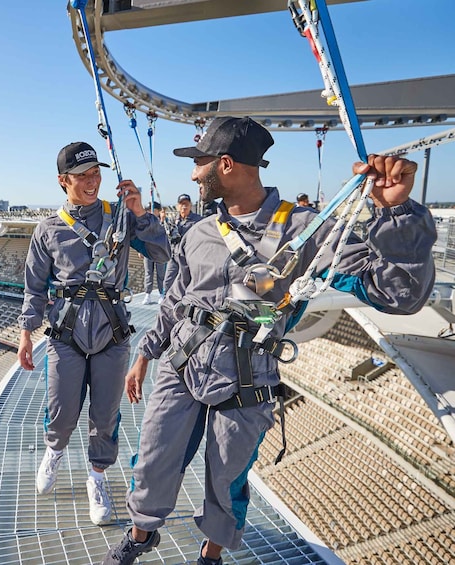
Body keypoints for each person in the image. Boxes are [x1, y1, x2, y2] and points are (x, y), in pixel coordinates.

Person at [102, 116, 436, 564]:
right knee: (153, 461)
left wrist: (395, 213)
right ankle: (140, 537)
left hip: (247, 376)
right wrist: (145, 355)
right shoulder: (201, 231)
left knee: (227, 479)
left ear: (225, 164)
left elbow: (398, 294)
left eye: (198, 163)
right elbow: (176, 299)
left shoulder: (306, 231)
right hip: (182, 365)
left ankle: (210, 554)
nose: (192, 174)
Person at [18, 141, 170, 526]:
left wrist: (141, 213)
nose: (92, 181)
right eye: (82, 176)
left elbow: (162, 253)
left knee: (105, 417)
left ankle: (97, 478)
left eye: (96, 174)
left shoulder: (120, 217)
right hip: (66, 335)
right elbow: (35, 287)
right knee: (63, 411)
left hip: (111, 333)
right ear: (62, 181)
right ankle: (54, 451)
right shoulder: (49, 229)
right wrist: (25, 333)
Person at [161, 193, 203, 293]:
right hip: (174, 255)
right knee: (168, 281)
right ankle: (168, 301)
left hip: (189, 257)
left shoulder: (198, 220)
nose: (184, 206)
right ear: (177, 206)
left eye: (186, 204)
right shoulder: (173, 219)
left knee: (186, 281)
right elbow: (163, 233)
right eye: (181, 204)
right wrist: (162, 220)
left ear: (190, 205)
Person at [142, 201, 167, 304]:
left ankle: (162, 293)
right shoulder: (145, 222)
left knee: (161, 273)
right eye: (148, 210)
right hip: (148, 250)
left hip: (160, 251)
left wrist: (162, 220)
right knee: (148, 272)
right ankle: (147, 294)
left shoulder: (163, 221)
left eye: (153, 210)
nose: (151, 212)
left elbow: (165, 233)